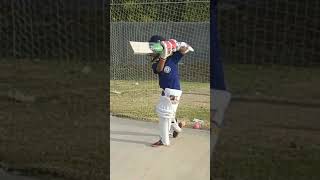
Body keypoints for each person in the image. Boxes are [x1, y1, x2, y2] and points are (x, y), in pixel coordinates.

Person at [148, 35, 192, 147]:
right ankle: (178, 128)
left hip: (174, 91)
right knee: (168, 114)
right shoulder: (155, 63)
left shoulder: (173, 58)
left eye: (153, 50)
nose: (151, 53)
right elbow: (159, 69)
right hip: (165, 91)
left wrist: (175, 45)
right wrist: (163, 56)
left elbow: (185, 48)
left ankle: (164, 141)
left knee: (164, 115)